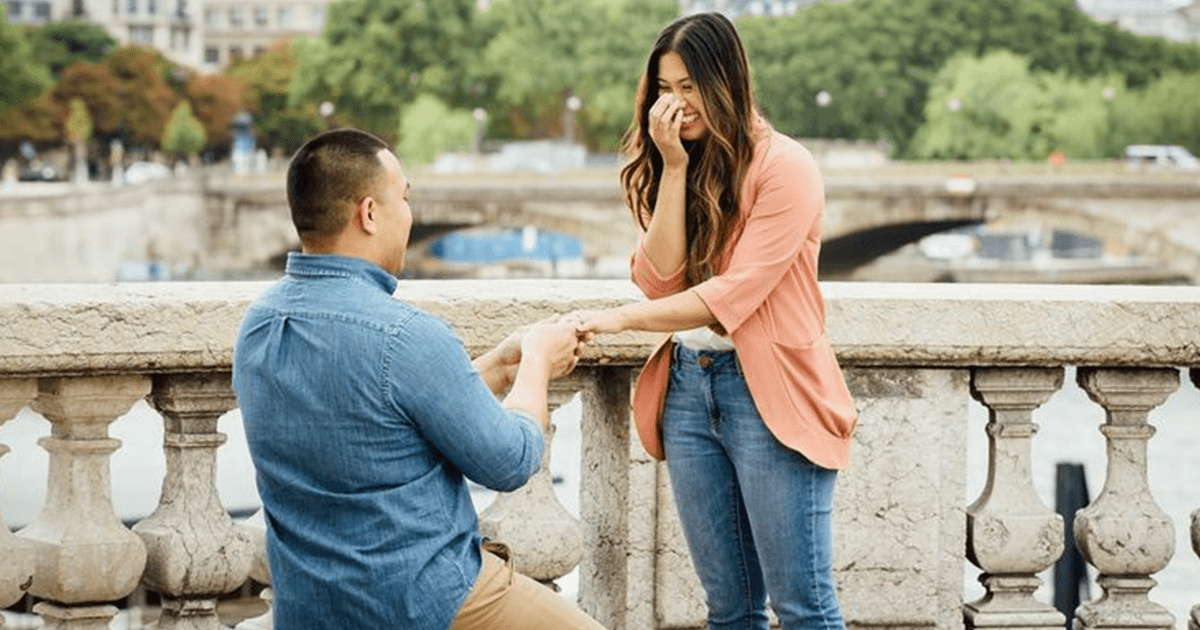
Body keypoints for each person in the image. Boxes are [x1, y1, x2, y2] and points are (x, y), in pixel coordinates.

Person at [232, 128, 606, 630]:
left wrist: (493, 369)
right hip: (419, 599)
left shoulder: (258, 325)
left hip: (310, 605)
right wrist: (538, 359)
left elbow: (371, 422)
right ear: (369, 213)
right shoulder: (404, 335)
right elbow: (510, 461)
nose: (409, 215)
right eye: (404, 198)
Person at [572, 12, 858, 630]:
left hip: (770, 394)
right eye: (663, 88)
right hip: (685, 389)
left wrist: (621, 319)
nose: (674, 103)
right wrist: (673, 168)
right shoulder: (677, 165)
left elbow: (733, 294)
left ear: (725, 80)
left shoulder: (786, 167)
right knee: (729, 610)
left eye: (689, 86)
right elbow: (659, 279)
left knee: (804, 607)